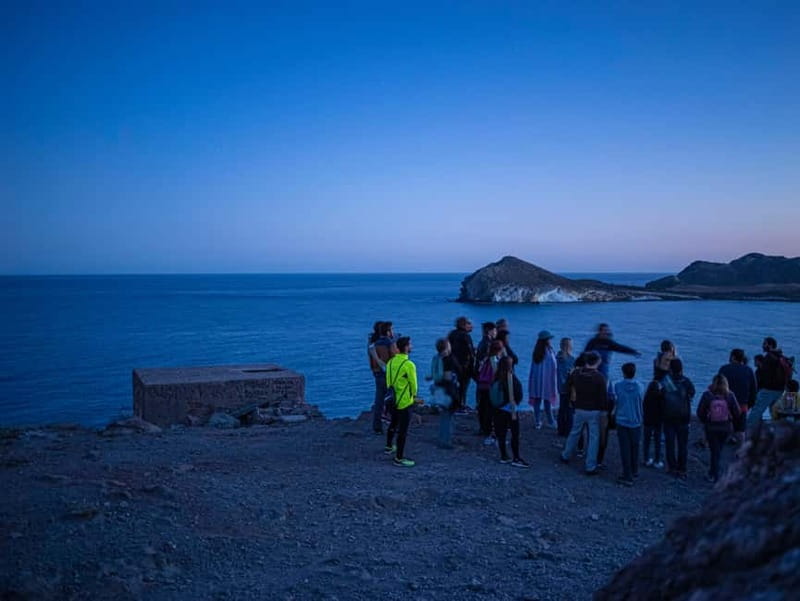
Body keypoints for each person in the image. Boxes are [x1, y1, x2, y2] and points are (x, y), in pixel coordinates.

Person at [560, 351, 608, 475]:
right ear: (597, 362)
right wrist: (604, 411)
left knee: (574, 432)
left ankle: (566, 455)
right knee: (593, 438)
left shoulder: (576, 373)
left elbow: (566, 387)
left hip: (579, 408)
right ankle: (590, 466)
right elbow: (603, 397)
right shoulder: (599, 377)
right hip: (594, 411)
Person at [696, 374, 741, 483]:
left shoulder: (707, 395)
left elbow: (699, 412)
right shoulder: (730, 395)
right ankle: (715, 472)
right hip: (725, 427)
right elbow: (737, 412)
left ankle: (714, 474)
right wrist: (730, 418)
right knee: (718, 450)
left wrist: (706, 420)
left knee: (714, 451)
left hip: (711, 427)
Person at [385, 337, 419, 468]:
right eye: (410, 344)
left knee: (393, 423)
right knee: (403, 431)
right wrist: (414, 397)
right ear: (405, 347)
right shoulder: (409, 365)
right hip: (404, 402)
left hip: (391, 400)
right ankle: (399, 458)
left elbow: (388, 382)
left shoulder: (390, 362)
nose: (412, 346)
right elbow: (414, 386)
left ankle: (388, 446)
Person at [659, 359, 695, 479]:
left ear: (671, 368)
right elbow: (692, 393)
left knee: (670, 443)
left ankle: (672, 467)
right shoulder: (686, 382)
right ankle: (682, 469)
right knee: (682, 445)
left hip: (669, 416)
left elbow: (661, 395)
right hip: (683, 417)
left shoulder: (667, 381)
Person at [490, 357, 529, 468]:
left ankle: (504, 456)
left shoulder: (496, 377)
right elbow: (518, 395)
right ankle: (516, 457)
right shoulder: (511, 379)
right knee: (515, 434)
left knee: (501, 434)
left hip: (497, 410)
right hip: (510, 410)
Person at [611, 363, 644, 486]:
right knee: (634, 446)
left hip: (622, 420)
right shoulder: (640, 386)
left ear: (623, 372)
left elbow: (616, 399)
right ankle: (634, 470)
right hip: (636, 420)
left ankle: (627, 475)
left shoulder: (618, 386)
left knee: (625, 448)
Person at [749, 337, 793, 427]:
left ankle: (748, 432)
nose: (762, 346)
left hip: (768, 390)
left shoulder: (769, 357)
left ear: (770, 345)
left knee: (756, 411)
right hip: (780, 390)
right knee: (775, 412)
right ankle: (780, 432)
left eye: (764, 344)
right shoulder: (780, 356)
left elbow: (764, 374)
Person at [718, 349, 757, 441]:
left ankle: (722, 447)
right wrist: (749, 404)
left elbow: (717, 387)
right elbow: (753, 390)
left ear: (733, 357)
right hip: (742, 405)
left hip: (725, 403)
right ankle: (741, 450)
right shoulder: (749, 370)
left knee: (724, 426)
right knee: (741, 430)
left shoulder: (724, 369)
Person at [429, 338, 460, 448]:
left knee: (444, 415)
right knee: (448, 416)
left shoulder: (436, 358)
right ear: (447, 347)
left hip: (438, 389)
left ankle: (443, 438)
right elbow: (447, 377)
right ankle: (446, 440)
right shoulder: (448, 360)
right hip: (448, 391)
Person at [370, 321, 397, 434]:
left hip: (377, 373)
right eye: (391, 329)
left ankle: (377, 427)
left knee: (379, 400)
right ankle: (395, 425)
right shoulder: (389, 343)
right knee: (394, 399)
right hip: (388, 374)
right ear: (387, 331)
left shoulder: (373, 344)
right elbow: (394, 359)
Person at [476, 340, 505, 445]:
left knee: (483, 409)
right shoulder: (495, 360)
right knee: (491, 411)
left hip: (482, 386)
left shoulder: (486, 358)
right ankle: (491, 434)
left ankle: (484, 430)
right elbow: (496, 375)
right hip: (490, 388)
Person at [529, 330, 559, 429]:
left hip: (537, 380)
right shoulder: (548, 351)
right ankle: (550, 421)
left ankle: (538, 421)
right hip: (547, 380)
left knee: (538, 400)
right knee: (547, 400)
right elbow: (552, 365)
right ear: (546, 340)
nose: (551, 340)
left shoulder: (537, 351)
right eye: (549, 339)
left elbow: (535, 368)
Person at [448, 317, 476, 413]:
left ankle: (455, 405)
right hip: (464, 366)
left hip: (453, 365)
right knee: (463, 386)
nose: (471, 326)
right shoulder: (465, 336)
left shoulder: (452, 334)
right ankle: (461, 405)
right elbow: (470, 351)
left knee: (455, 386)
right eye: (469, 324)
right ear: (464, 325)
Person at [556, 338, 576, 437]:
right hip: (569, 388)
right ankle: (568, 431)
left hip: (560, 387)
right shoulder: (571, 360)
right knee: (569, 410)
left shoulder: (557, 357)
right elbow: (573, 374)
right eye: (571, 344)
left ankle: (561, 430)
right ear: (569, 346)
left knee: (562, 409)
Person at [642, 380, 664, 469]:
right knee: (657, 441)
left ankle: (646, 459)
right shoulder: (661, 397)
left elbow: (643, 407)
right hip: (658, 421)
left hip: (648, 421)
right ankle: (657, 460)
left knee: (646, 441)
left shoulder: (647, 397)